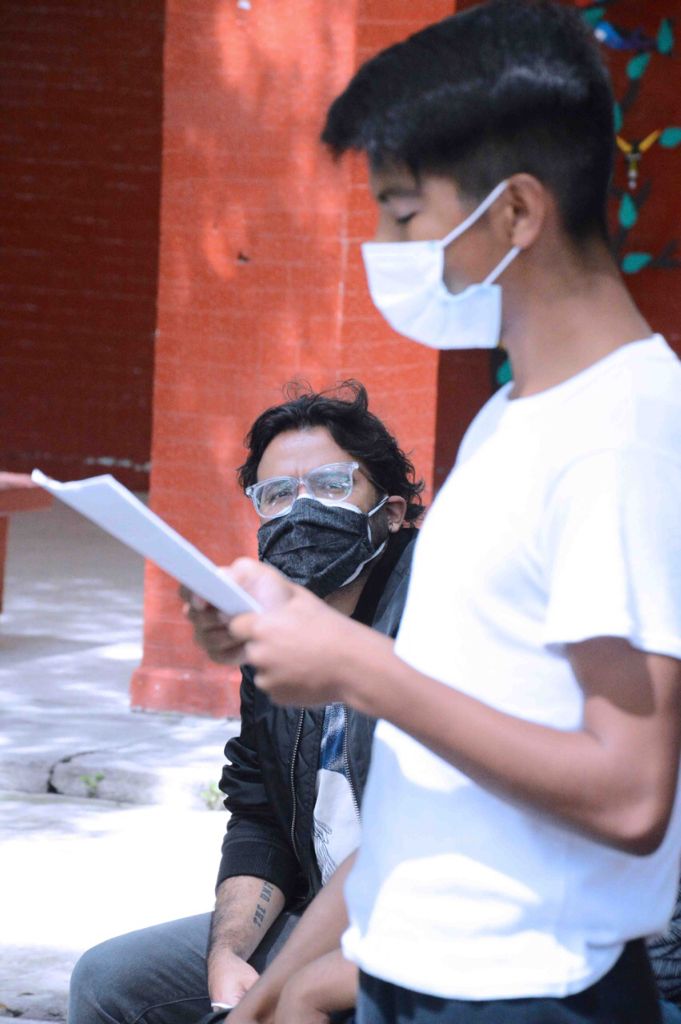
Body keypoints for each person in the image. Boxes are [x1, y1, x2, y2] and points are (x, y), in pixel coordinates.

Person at [194, 3, 681, 1023]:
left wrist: (355, 667)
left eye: (405, 214)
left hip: (529, 997)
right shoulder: (511, 420)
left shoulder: (621, 434)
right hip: (419, 973)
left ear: (517, 212)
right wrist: (275, 992)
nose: (386, 247)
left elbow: (631, 792)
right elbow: (431, 768)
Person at [67, 382, 422, 1024]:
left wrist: (290, 989)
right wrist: (228, 951)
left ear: (392, 511)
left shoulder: (435, 614)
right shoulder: (271, 623)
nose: (302, 509)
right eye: (277, 494)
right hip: (323, 917)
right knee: (108, 982)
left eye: (333, 485)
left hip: (433, 930)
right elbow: (259, 811)